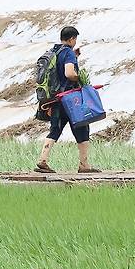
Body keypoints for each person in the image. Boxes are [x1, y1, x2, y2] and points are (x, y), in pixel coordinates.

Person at [35, 26, 101, 174]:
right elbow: (69, 73)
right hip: (70, 99)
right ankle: (84, 165)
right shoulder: (68, 53)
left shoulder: (54, 51)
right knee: (82, 126)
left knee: (55, 129)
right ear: (72, 39)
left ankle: (42, 160)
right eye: (75, 39)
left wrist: (74, 57)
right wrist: (80, 78)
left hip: (56, 99)